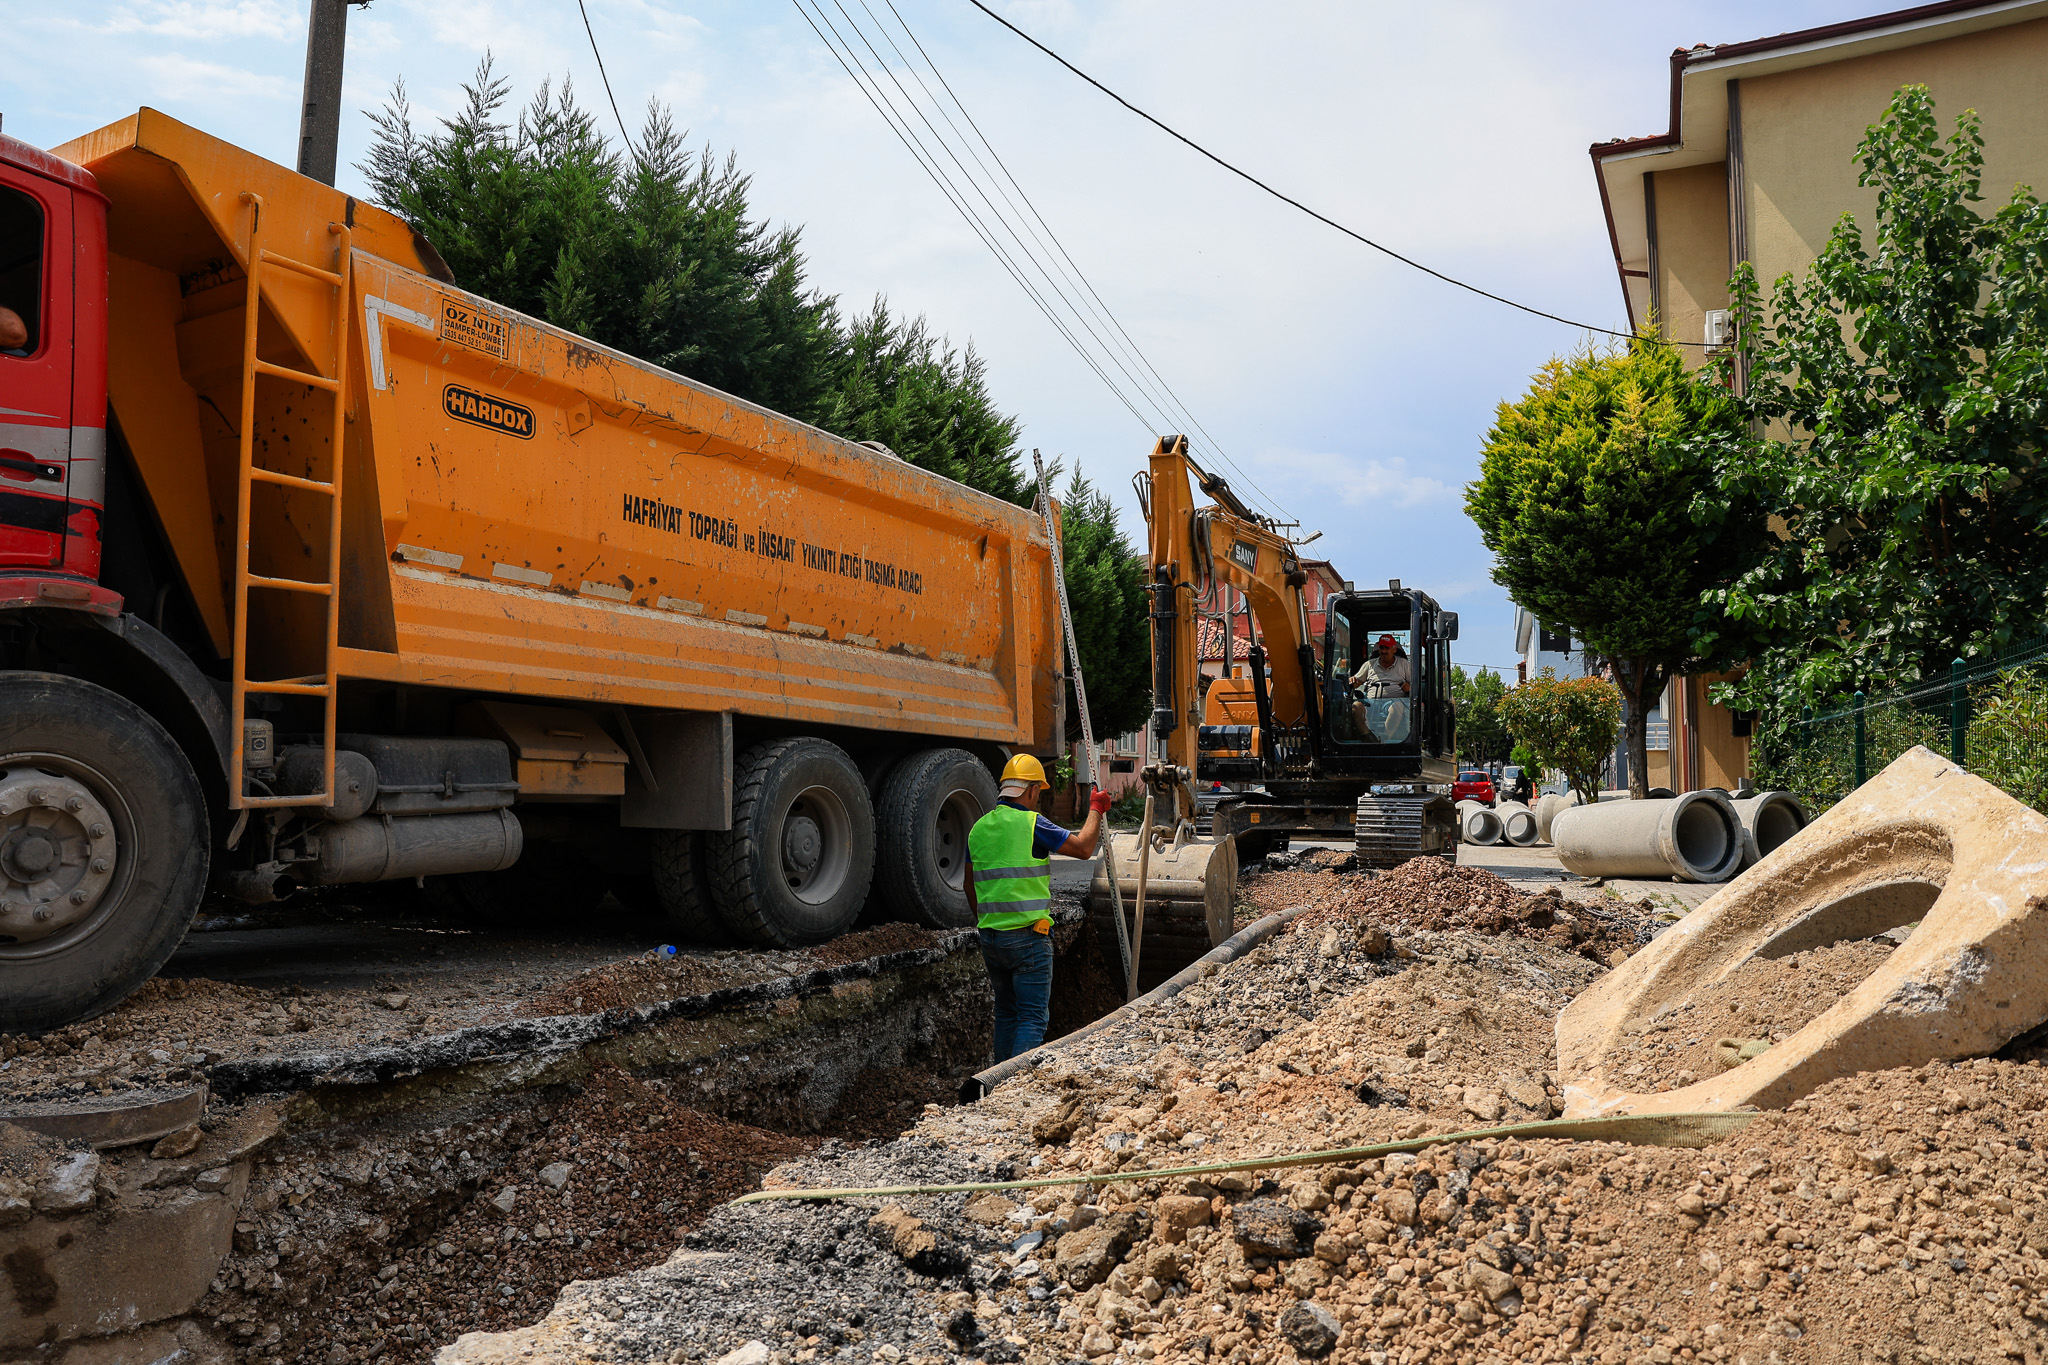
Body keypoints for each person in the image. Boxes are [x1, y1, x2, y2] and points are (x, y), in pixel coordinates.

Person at [965, 754, 1109, 1062]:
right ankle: (1015, 1082)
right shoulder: (1032, 824)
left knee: (1006, 1013)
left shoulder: (978, 828)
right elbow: (1084, 847)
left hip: (991, 938)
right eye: (1038, 793)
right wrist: (1096, 808)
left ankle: (997, 1080)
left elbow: (969, 884)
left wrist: (990, 920)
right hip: (1028, 939)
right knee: (1032, 1018)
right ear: (1031, 790)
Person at [1348, 633, 1413, 741]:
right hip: (1370, 703)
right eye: (1381, 648)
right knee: (1356, 706)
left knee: (1397, 707)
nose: (1383, 651)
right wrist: (1352, 680)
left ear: (1394, 649)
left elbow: (1415, 685)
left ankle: (1385, 740)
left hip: (1394, 702)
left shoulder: (1404, 664)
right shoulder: (1369, 664)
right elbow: (1356, 682)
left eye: (1387, 648)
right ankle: (1368, 737)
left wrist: (1409, 688)